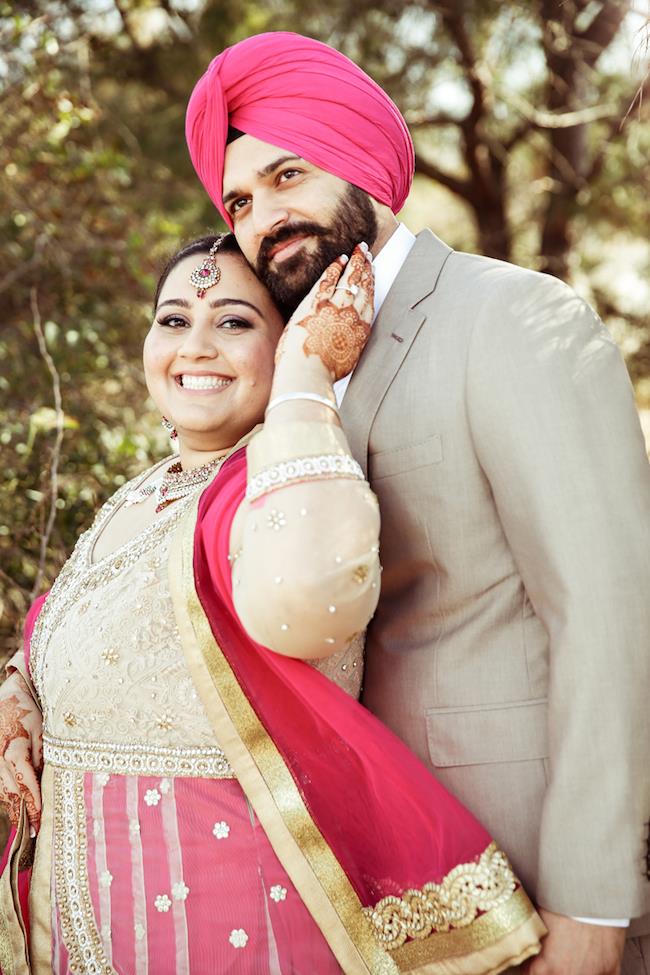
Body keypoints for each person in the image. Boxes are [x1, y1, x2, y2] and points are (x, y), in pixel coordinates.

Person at [184, 30, 650, 975]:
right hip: (367, 894)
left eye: (288, 176)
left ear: (359, 161)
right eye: (239, 200)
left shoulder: (510, 316)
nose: (264, 217)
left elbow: (610, 609)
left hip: (526, 868)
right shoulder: (290, 370)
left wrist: (594, 900)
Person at [0, 233, 544, 974]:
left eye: (234, 321)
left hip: (234, 930)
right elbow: (73, 651)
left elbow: (312, 598)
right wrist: (18, 697)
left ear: (289, 338)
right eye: (172, 319)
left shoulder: (287, 481)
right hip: (77, 935)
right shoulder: (142, 491)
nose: (196, 345)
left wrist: (306, 381)